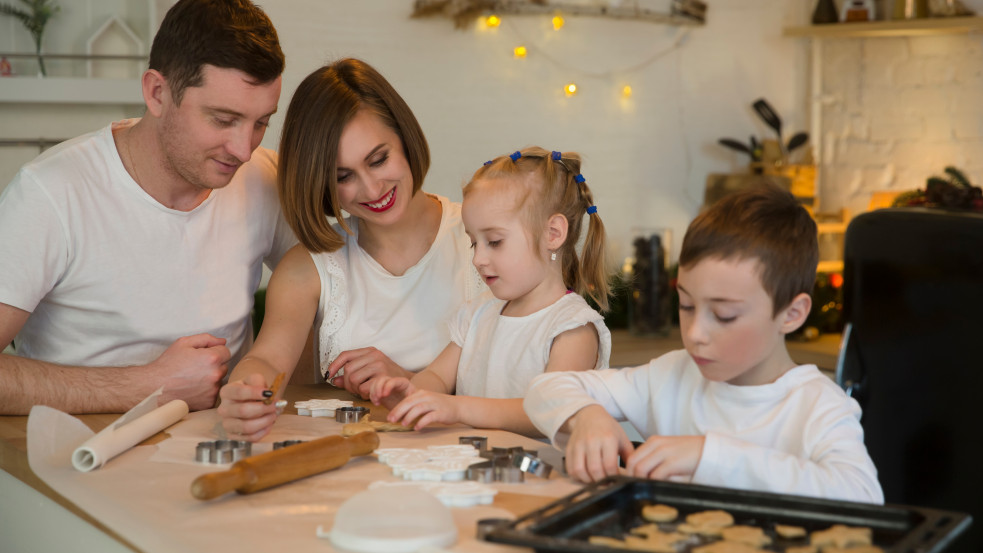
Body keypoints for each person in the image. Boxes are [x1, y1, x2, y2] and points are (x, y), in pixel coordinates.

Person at [0, 0, 292, 415]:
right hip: (77, 461)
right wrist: (150, 385)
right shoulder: (51, 193)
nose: (244, 148)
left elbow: (339, 286)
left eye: (261, 122)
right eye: (223, 120)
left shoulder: (263, 179)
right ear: (157, 92)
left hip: (224, 453)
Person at [524, 185, 884, 503]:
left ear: (791, 314)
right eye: (687, 306)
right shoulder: (670, 377)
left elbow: (862, 495)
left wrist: (709, 456)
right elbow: (546, 389)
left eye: (725, 315)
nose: (695, 332)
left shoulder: (818, 406)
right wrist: (586, 416)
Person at [216, 59, 486, 441]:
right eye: (343, 177)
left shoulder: (484, 241)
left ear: (405, 139)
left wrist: (411, 385)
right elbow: (265, 359)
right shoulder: (306, 267)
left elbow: (530, 388)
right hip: (353, 476)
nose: (373, 189)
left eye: (379, 159)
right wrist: (245, 393)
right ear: (320, 182)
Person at [368, 147, 612, 437]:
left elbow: (547, 411)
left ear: (553, 234)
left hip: (543, 476)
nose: (478, 259)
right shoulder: (478, 313)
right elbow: (436, 376)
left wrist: (458, 408)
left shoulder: (572, 329)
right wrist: (412, 393)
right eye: (474, 243)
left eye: (494, 242)